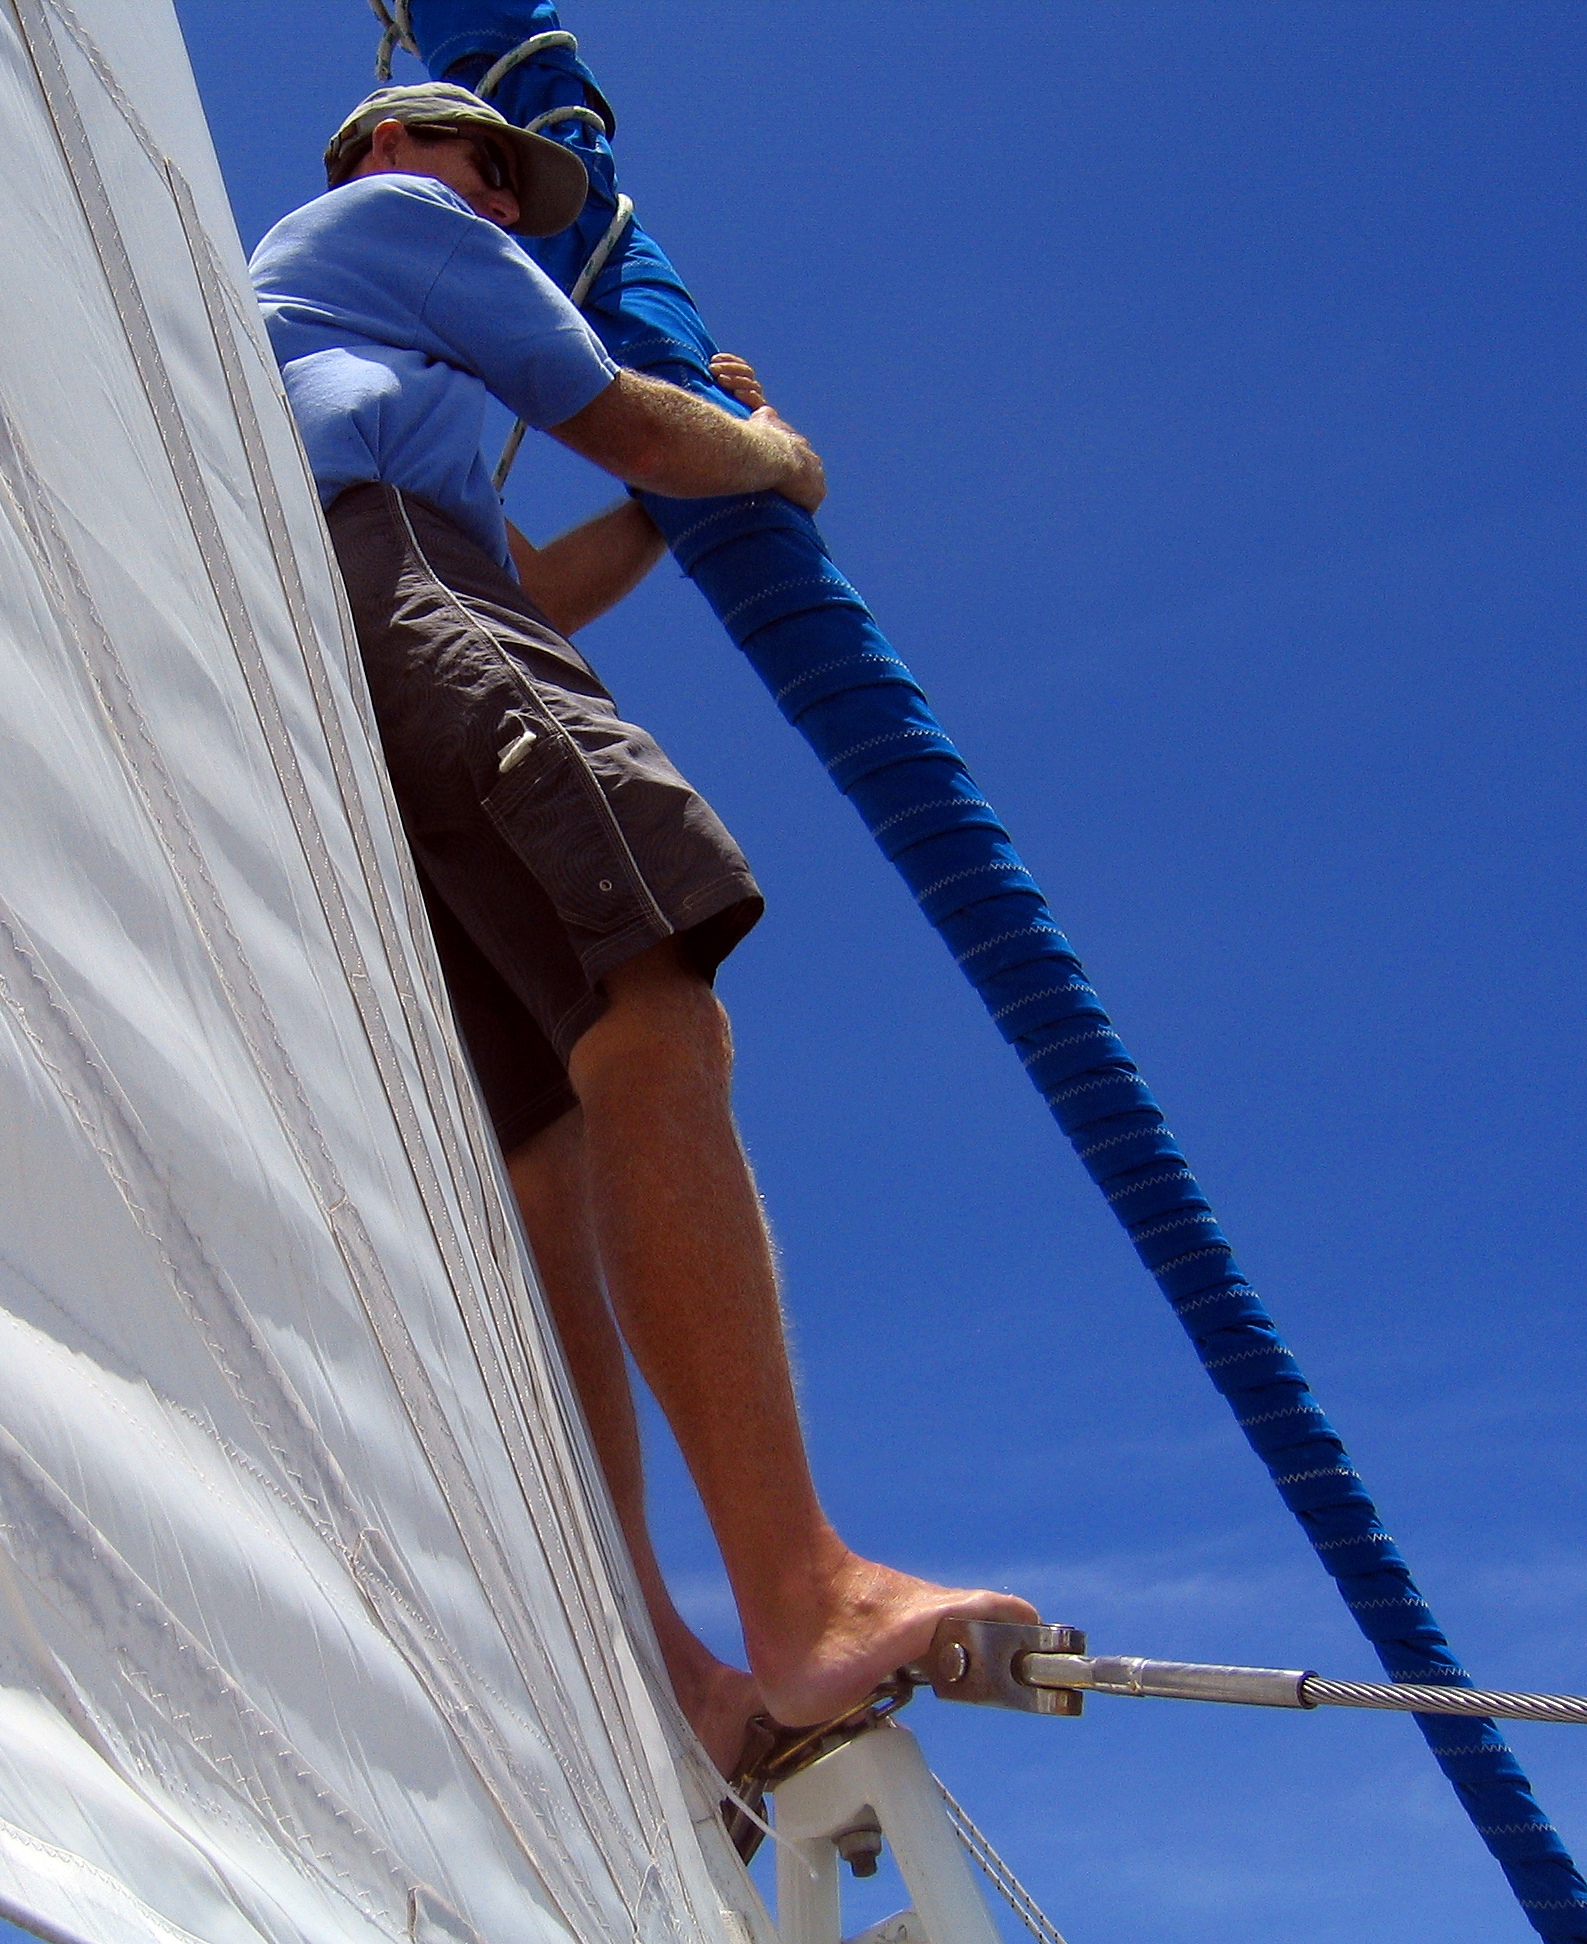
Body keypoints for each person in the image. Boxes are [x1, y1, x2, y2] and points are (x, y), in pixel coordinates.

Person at [250, 82, 1035, 1777]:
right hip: (397, 590)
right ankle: (799, 1595)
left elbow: (531, 569)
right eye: (499, 169)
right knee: (657, 1004)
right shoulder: (403, 223)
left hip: (339, 661)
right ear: (397, 154)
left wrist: (685, 513)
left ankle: (658, 1669)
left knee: (547, 1159)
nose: (520, 210)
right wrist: (773, 455)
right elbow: (632, 424)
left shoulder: (331, 334)